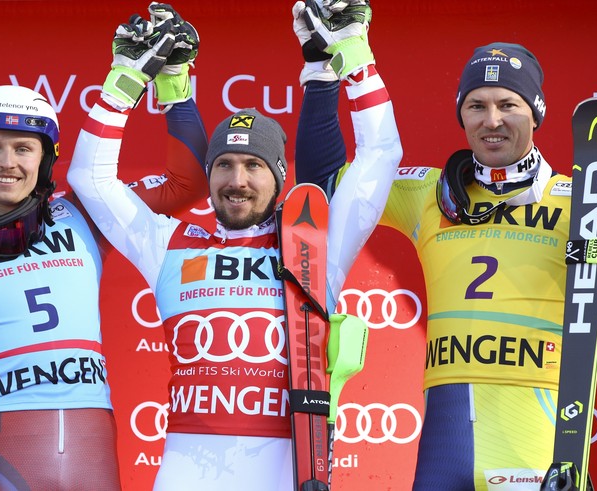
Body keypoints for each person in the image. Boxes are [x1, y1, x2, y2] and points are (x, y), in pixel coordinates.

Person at [296, 23, 597, 491]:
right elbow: (325, 191)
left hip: (536, 451)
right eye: (477, 106)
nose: (492, 120)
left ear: (536, 114)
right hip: (441, 457)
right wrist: (321, 70)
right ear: (461, 116)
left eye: (508, 104)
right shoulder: (429, 192)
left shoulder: (585, 198)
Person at [67, 2, 401, 489]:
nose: (237, 180)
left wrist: (353, 53)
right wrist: (123, 83)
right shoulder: (170, 245)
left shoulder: (315, 244)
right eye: (223, 164)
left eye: (253, 165)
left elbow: (381, 154)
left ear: (280, 177)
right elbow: (89, 179)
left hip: (289, 472)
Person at [0, 6, 209, 489]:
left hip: (92, 446)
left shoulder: (83, 216)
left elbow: (189, 183)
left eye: (23, 148)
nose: (6, 162)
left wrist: (175, 83)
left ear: (44, 161)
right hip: (6, 446)